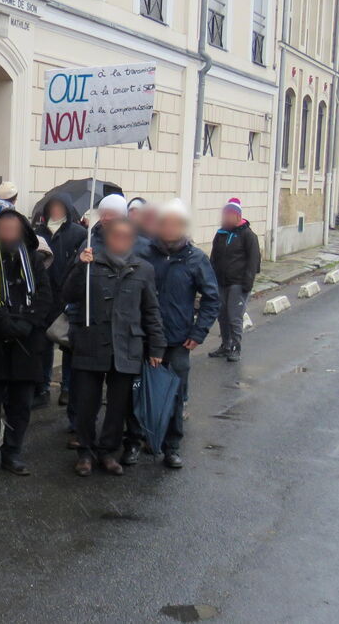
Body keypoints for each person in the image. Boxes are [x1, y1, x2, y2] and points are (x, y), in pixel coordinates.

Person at [66, 218, 165, 476]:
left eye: (125, 236)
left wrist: (156, 347)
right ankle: (85, 452)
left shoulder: (143, 269)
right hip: (91, 342)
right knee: (87, 404)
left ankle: (107, 451)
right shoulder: (89, 262)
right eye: (115, 235)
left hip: (127, 346)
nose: (120, 240)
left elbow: (151, 310)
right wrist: (79, 266)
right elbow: (68, 294)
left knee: (118, 405)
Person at [136, 199, 220, 469]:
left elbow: (211, 298)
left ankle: (171, 446)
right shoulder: (144, 253)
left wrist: (199, 332)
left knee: (174, 394)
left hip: (178, 339)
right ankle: (136, 440)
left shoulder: (196, 259)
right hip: (144, 337)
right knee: (139, 392)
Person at [0, 209, 52, 478]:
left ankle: (13, 452)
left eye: (12, 229)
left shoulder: (33, 260)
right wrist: (3, 321)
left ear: (22, 231)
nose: (7, 234)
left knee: (21, 405)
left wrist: (26, 324)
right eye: (2, 228)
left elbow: (45, 296)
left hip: (26, 345)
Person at [33, 192, 86, 406]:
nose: (56, 211)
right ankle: (43, 388)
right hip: (43, 297)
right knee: (43, 345)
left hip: (67, 296)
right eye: (52, 207)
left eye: (59, 206)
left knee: (67, 344)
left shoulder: (78, 233)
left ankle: (67, 387)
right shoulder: (37, 232)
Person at [209, 197, 260, 363]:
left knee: (234, 316)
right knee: (222, 315)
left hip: (238, 283)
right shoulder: (221, 234)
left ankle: (236, 347)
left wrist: (248, 282)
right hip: (221, 282)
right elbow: (214, 257)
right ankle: (225, 345)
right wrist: (210, 278)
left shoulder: (248, 235)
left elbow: (254, 261)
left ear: (237, 216)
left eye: (229, 215)